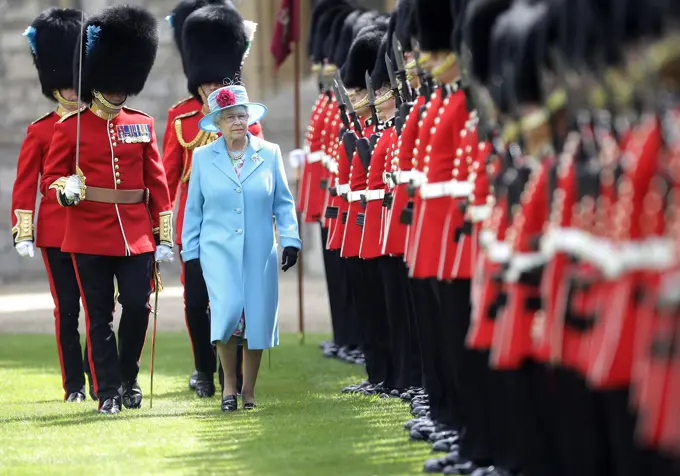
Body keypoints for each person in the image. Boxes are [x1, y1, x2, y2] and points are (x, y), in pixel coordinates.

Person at [40, 5, 174, 414]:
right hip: (86, 231)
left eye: (123, 88)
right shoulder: (70, 127)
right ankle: (109, 392)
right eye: (112, 87)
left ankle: (128, 374)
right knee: (98, 316)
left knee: (137, 304)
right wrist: (66, 189)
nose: (119, 95)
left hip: (134, 231)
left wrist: (163, 233)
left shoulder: (142, 123)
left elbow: (157, 183)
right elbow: (50, 180)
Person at [164, 0, 263, 399]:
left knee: (235, 301)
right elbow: (167, 178)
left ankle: (233, 375)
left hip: (236, 221)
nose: (209, 87)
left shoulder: (247, 119)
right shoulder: (180, 118)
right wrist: (161, 228)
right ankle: (203, 369)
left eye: (214, 80)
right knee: (196, 301)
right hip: (195, 223)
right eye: (203, 82)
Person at [182, 83, 301, 412]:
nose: (237, 122)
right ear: (217, 123)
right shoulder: (203, 157)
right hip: (216, 251)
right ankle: (228, 389)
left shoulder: (270, 153)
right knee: (227, 314)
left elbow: (284, 204)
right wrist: (190, 254)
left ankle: (248, 392)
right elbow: (194, 210)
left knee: (256, 320)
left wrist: (290, 239)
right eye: (229, 117)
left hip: (259, 251)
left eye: (241, 116)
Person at [11, 7, 94, 402]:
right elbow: (26, 183)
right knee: (67, 313)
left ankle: (100, 380)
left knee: (97, 310)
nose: (74, 92)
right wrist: (24, 230)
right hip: (57, 232)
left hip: (95, 230)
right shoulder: (40, 130)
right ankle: (74, 385)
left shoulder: (100, 124)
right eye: (67, 86)